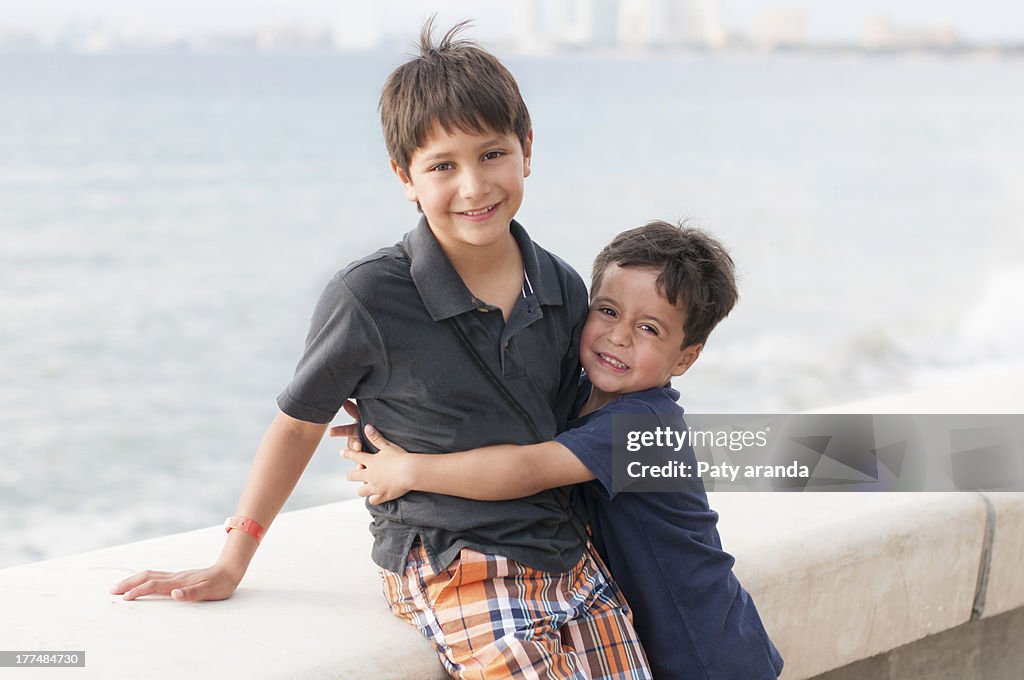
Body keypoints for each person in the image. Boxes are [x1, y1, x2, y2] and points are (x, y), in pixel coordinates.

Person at [111, 19, 653, 680]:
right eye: (442, 166)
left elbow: (584, 424)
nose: (474, 187)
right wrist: (233, 559)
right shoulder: (370, 295)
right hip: (451, 561)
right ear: (405, 175)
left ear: (527, 149)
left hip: (565, 551)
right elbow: (298, 424)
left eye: (491, 155)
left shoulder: (562, 285)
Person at [342, 221, 785, 679]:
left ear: (683, 359)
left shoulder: (644, 422)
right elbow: (490, 416)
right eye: (608, 311)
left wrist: (410, 470)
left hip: (705, 651)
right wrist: (395, 419)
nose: (619, 337)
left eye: (649, 328)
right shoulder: (573, 392)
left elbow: (525, 468)